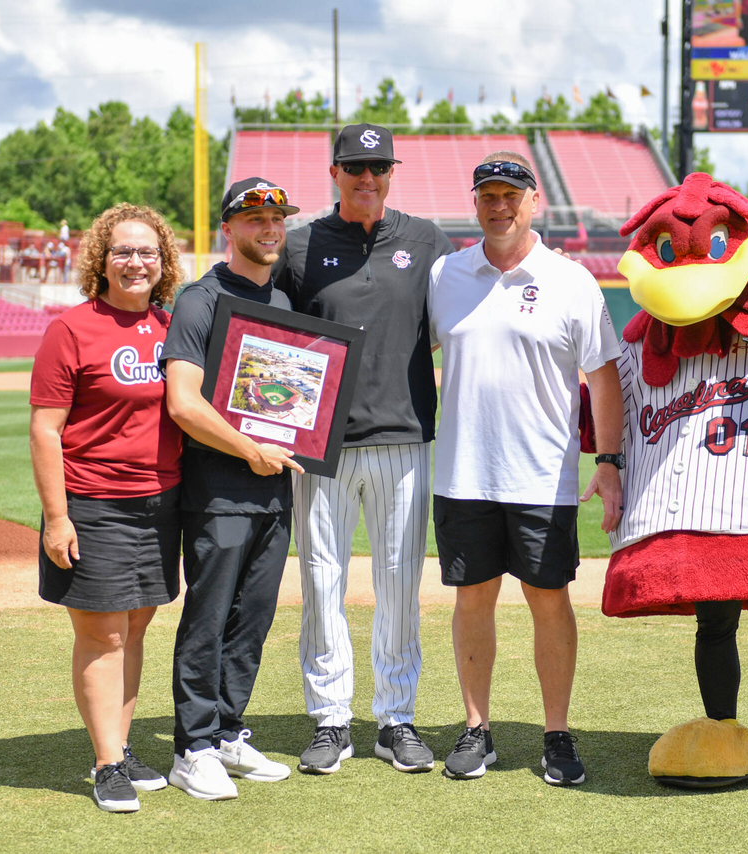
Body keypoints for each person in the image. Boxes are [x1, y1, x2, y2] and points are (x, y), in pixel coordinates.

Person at [428, 153, 623, 785]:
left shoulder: (571, 281)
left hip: (542, 475)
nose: (499, 205)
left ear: (534, 202)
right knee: (473, 599)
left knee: (549, 601)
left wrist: (610, 461)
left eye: (512, 194)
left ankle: (557, 734)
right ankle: (476, 728)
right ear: (476, 202)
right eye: (488, 194)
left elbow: (603, 378)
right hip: (462, 473)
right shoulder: (445, 275)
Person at [273, 123, 455, 775]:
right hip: (319, 442)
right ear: (335, 172)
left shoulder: (428, 241)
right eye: (355, 167)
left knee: (400, 583)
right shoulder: (298, 248)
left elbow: (446, 326)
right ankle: (330, 719)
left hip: (404, 434)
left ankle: (396, 718)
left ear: (391, 173)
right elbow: (270, 342)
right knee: (322, 581)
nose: (367, 178)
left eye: (378, 168)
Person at [28, 202, 184, 812]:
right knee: (104, 634)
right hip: (94, 502)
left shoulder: (172, 325)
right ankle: (106, 764)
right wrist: (57, 516)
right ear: (102, 259)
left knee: (139, 623)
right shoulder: (71, 329)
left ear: (163, 261)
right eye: (123, 250)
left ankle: (117, 745)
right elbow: (45, 431)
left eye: (148, 251)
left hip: (160, 499)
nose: (135, 262)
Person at [161, 179, 306, 800]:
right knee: (209, 618)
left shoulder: (286, 296)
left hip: (276, 489)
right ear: (229, 228)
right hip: (220, 488)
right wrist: (252, 451)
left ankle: (225, 732)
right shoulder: (201, 299)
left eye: (276, 218)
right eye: (254, 218)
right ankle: (191, 748)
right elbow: (183, 404)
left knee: (253, 619)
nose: (268, 228)